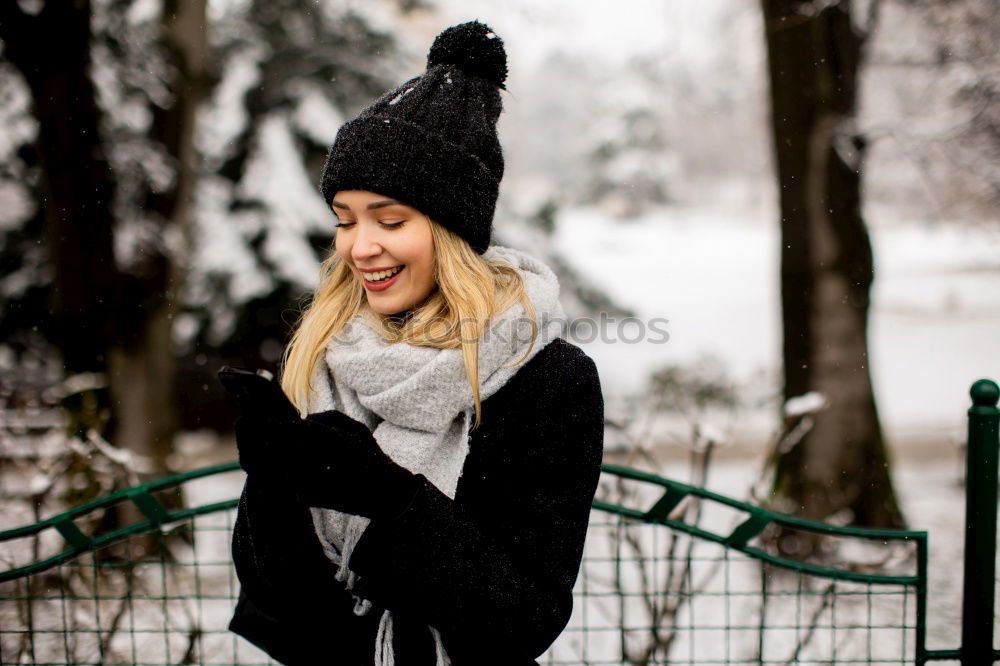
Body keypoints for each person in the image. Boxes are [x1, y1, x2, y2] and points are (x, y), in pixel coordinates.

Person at [225, 20, 605, 666]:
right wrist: (274, 485)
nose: (359, 247)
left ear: (453, 230)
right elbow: (278, 605)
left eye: (390, 220)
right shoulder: (323, 356)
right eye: (344, 220)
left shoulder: (546, 380)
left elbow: (521, 618)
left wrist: (388, 499)